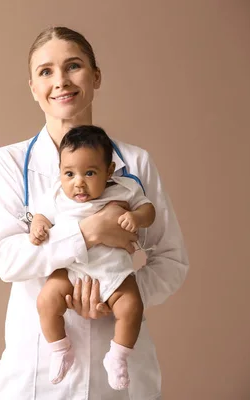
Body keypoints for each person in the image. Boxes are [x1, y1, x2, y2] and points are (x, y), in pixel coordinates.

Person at [0, 26, 189, 400]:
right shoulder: (8, 163)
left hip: (121, 369)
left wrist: (113, 293)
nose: (60, 81)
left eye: (73, 66)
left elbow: (172, 260)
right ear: (33, 87)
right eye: (46, 71)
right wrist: (88, 233)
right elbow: (7, 260)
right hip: (38, 371)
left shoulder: (136, 163)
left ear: (95, 76)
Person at [29, 125, 155, 390]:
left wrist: (136, 217)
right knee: (46, 300)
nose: (78, 182)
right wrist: (38, 224)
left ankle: (118, 357)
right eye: (69, 174)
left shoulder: (125, 189)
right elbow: (41, 215)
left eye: (89, 173)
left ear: (109, 171)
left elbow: (149, 211)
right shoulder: (56, 196)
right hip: (72, 270)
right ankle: (60, 348)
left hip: (114, 273)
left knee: (132, 306)